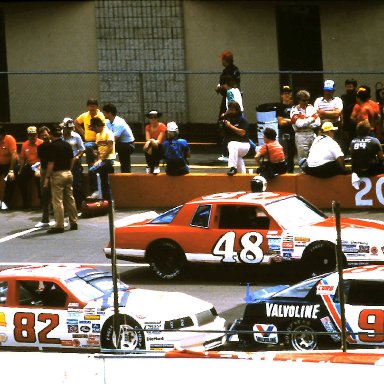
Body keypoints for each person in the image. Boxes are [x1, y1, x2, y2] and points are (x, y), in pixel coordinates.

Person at [44, 125, 78, 234]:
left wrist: (47, 177)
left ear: (51, 135)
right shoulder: (67, 144)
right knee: (70, 198)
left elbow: (51, 163)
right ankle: (73, 221)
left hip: (57, 174)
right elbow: (72, 158)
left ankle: (59, 225)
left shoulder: (52, 146)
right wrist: (70, 169)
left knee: (57, 200)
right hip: (68, 172)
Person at [215, 50, 241, 162]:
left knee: (225, 124)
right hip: (237, 100)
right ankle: (236, 150)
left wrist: (219, 88)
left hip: (228, 100)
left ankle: (227, 153)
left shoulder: (227, 72)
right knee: (237, 121)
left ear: (225, 60)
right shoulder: (236, 70)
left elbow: (225, 86)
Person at [87, 117, 115, 201]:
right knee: (104, 182)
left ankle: (95, 191)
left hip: (108, 159)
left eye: (94, 128)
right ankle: (106, 200)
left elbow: (110, 148)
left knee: (92, 170)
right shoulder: (98, 135)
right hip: (101, 160)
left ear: (97, 126)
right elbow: (99, 149)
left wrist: (101, 159)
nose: (94, 131)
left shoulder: (108, 133)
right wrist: (97, 158)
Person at [102, 103, 135, 173]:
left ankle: (126, 173)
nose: (103, 114)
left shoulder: (119, 123)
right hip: (118, 143)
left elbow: (114, 139)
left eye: (104, 112)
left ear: (109, 113)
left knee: (118, 149)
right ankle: (108, 169)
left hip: (128, 144)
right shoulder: (107, 122)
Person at [61, 117, 85, 210]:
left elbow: (82, 149)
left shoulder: (76, 136)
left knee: (76, 184)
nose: (69, 130)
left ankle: (78, 206)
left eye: (71, 128)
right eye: (68, 128)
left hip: (74, 162)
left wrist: (77, 157)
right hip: (62, 162)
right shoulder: (60, 137)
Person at [290, 90, 320, 163]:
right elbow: (299, 124)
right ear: (299, 101)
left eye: (308, 100)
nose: (306, 102)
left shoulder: (311, 108)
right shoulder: (294, 110)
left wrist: (305, 121)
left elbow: (318, 123)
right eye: (304, 100)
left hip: (311, 133)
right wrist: (312, 118)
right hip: (301, 136)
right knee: (303, 159)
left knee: (315, 156)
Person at [74, 99, 105, 168]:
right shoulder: (85, 115)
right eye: (90, 106)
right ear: (87, 107)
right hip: (89, 141)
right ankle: (90, 166)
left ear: (97, 107)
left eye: (93, 106)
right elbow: (76, 122)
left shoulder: (101, 116)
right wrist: (83, 133)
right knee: (87, 147)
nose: (91, 108)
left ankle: (97, 166)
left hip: (99, 140)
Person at [221, 101, 250, 176]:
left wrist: (230, 126)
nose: (231, 111)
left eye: (232, 110)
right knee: (238, 159)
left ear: (237, 110)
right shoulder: (228, 120)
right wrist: (224, 117)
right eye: (229, 109)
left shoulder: (242, 120)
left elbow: (242, 132)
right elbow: (221, 131)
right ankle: (243, 176)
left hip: (244, 145)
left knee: (232, 144)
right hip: (235, 147)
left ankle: (233, 167)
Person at [17, 126, 43, 209]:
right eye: (30, 135)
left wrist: (39, 169)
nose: (32, 137)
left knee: (39, 180)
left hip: (40, 166)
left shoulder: (41, 143)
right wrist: (20, 170)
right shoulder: (25, 144)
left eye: (34, 135)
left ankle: (42, 203)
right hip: (29, 166)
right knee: (20, 178)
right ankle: (25, 201)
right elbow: (22, 158)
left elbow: (44, 158)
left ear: (37, 135)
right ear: (28, 135)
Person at [314, 80, 343, 147]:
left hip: (335, 127)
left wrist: (323, 112)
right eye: (326, 90)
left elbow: (336, 114)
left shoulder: (337, 100)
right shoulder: (318, 100)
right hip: (322, 127)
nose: (328, 92)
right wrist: (331, 112)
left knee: (335, 146)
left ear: (333, 90)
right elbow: (317, 114)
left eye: (330, 90)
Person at [34, 126, 53, 228]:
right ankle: (45, 220)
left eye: (45, 134)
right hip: (44, 171)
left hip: (55, 171)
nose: (44, 137)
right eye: (42, 135)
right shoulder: (40, 147)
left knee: (58, 197)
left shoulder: (54, 145)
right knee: (45, 196)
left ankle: (63, 219)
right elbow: (43, 161)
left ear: (49, 134)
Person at [276, 85, 295, 173]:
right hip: (284, 132)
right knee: (284, 152)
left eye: (288, 93)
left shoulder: (294, 106)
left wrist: (287, 120)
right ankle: (283, 170)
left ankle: (291, 170)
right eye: (285, 93)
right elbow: (281, 122)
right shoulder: (279, 107)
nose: (287, 95)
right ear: (281, 95)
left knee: (292, 152)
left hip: (293, 131)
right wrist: (292, 120)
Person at [0, 126, 18, 210]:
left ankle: (6, 203)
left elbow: (14, 155)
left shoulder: (9, 139)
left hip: (9, 164)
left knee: (10, 179)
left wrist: (11, 170)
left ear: (3, 135)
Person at [143, 110, 166, 174]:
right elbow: (147, 139)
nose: (153, 119)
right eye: (151, 117)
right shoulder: (147, 127)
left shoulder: (162, 126)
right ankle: (149, 165)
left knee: (155, 146)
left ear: (157, 118)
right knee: (148, 146)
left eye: (155, 117)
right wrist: (149, 142)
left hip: (162, 147)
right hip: (152, 145)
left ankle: (156, 166)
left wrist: (151, 141)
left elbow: (159, 140)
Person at [341, 78, 358, 153]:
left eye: (350, 86)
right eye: (347, 86)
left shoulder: (357, 96)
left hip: (355, 122)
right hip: (346, 121)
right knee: (346, 140)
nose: (348, 88)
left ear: (354, 87)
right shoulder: (343, 96)